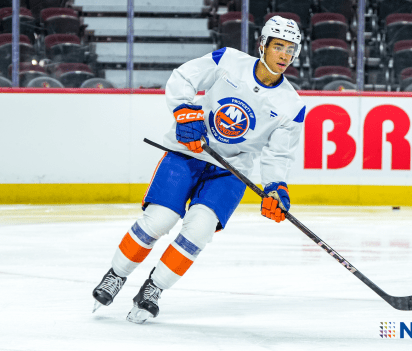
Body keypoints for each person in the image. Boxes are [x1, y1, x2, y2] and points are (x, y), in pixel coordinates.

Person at [92, 15, 307, 324]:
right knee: (159, 219)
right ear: (262, 45)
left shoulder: (292, 104)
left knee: (199, 230)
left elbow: (278, 156)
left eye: (291, 49)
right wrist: (184, 113)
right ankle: (116, 275)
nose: (285, 55)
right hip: (188, 154)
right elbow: (184, 78)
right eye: (279, 47)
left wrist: (276, 188)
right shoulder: (228, 60)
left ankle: (153, 289)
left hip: (230, 172)